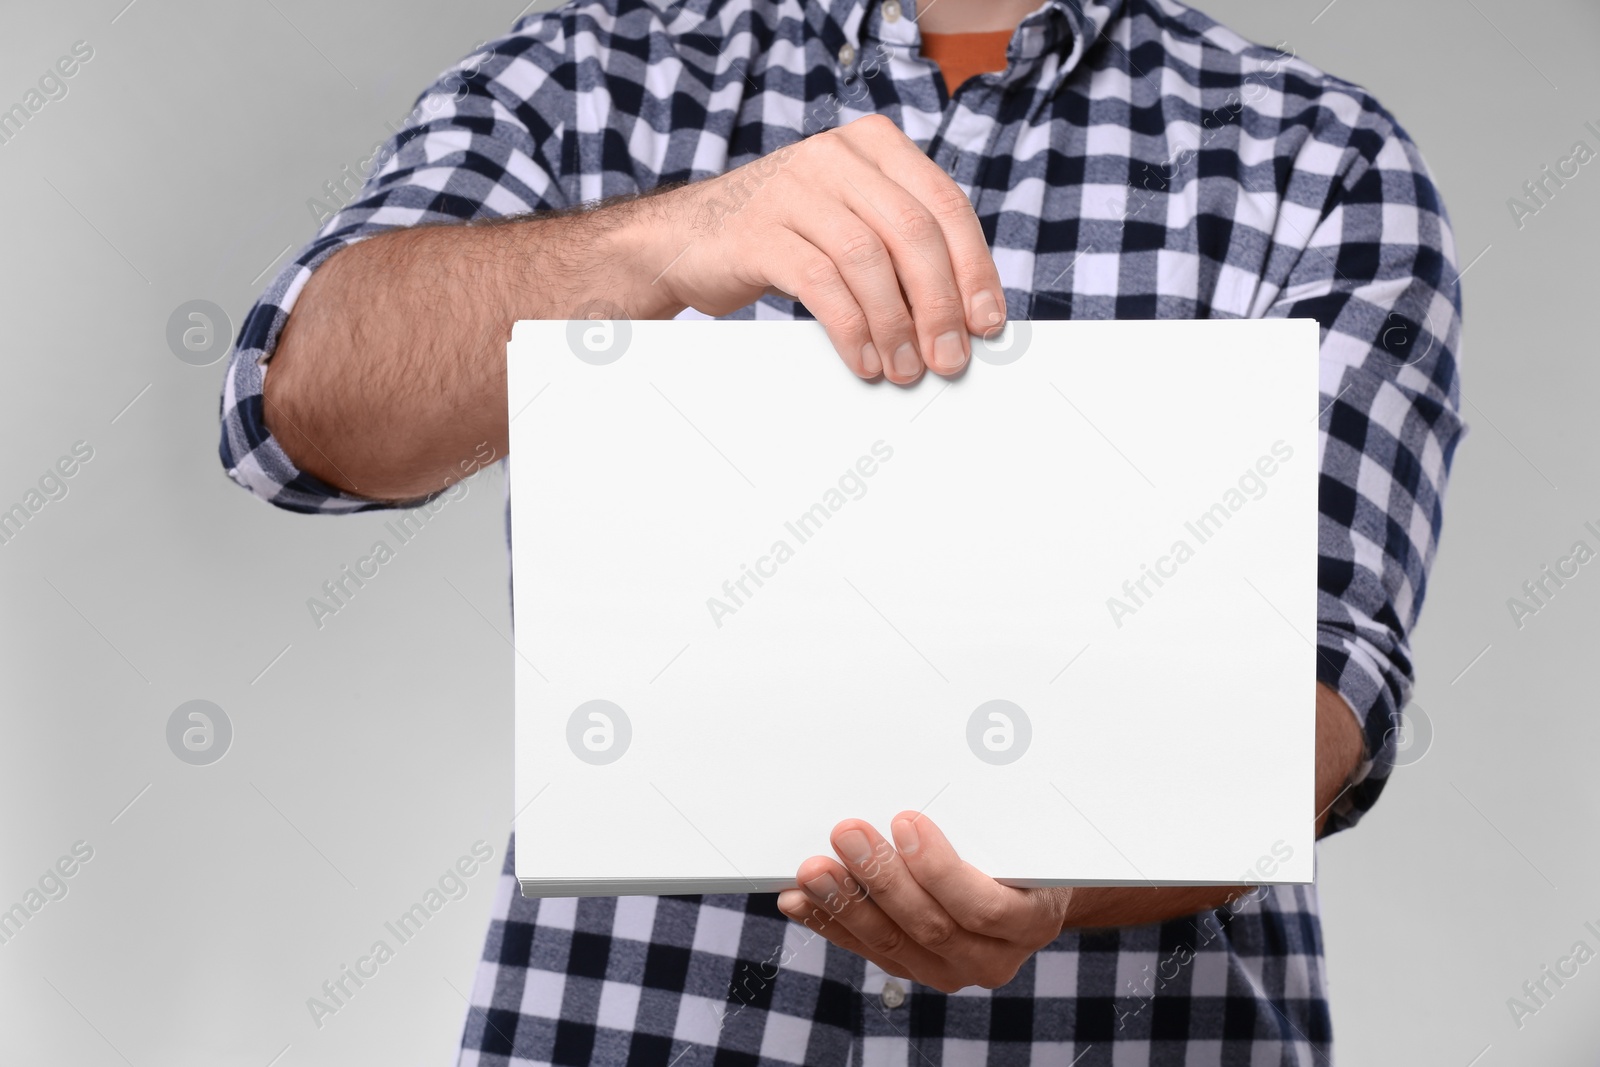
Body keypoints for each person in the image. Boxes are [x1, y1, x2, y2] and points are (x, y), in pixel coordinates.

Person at [217, 0, 1463, 1060]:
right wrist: (666, 241)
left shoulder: (1321, 159)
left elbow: (1323, 674)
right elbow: (298, 414)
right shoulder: (593, 76)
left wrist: (1071, 874)